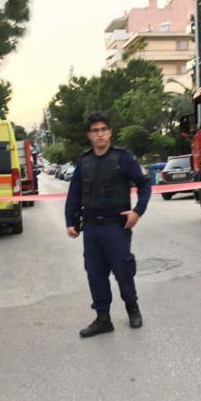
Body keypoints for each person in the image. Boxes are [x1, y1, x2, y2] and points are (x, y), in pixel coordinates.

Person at [65, 111, 152, 337]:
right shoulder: (84, 161)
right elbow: (74, 193)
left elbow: (144, 185)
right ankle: (103, 319)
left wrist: (137, 212)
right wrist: (70, 221)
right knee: (95, 273)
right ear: (89, 135)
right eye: (95, 131)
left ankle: (132, 308)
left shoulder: (123, 158)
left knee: (123, 270)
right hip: (91, 228)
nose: (100, 134)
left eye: (103, 129)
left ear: (110, 132)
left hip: (117, 226)